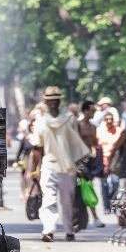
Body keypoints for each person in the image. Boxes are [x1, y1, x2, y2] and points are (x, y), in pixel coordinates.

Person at [29, 86, 90, 242]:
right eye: (50, 100)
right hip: (49, 165)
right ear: (46, 102)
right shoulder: (41, 122)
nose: (53, 103)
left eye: (55, 100)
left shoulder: (70, 119)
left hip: (68, 166)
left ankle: (69, 230)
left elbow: (77, 143)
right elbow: (38, 148)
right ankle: (48, 230)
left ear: (59, 101)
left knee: (67, 202)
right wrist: (34, 170)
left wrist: (79, 166)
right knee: (48, 200)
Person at [77, 101, 105, 227]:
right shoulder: (78, 125)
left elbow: (93, 143)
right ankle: (87, 217)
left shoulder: (93, 127)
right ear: (85, 111)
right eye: (92, 110)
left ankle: (92, 217)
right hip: (78, 160)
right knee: (81, 189)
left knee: (87, 187)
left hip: (90, 161)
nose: (94, 113)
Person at [97, 113, 122, 213]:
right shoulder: (99, 131)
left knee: (115, 183)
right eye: (107, 119)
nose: (109, 121)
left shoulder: (118, 131)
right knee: (104, 184)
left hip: (115, 161)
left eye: (111, 119)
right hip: (103, 160)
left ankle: (113, 204)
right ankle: (106, 206)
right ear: (104, 120)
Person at [13, 118, 35, 201]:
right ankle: (26, 194)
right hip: (27, 161)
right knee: (25, 178)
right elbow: (20, 150)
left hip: (37, 162)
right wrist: (16, 161)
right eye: (32, 125)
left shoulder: (40, 137)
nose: (33, 127)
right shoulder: (26, 138)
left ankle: (34, 194)